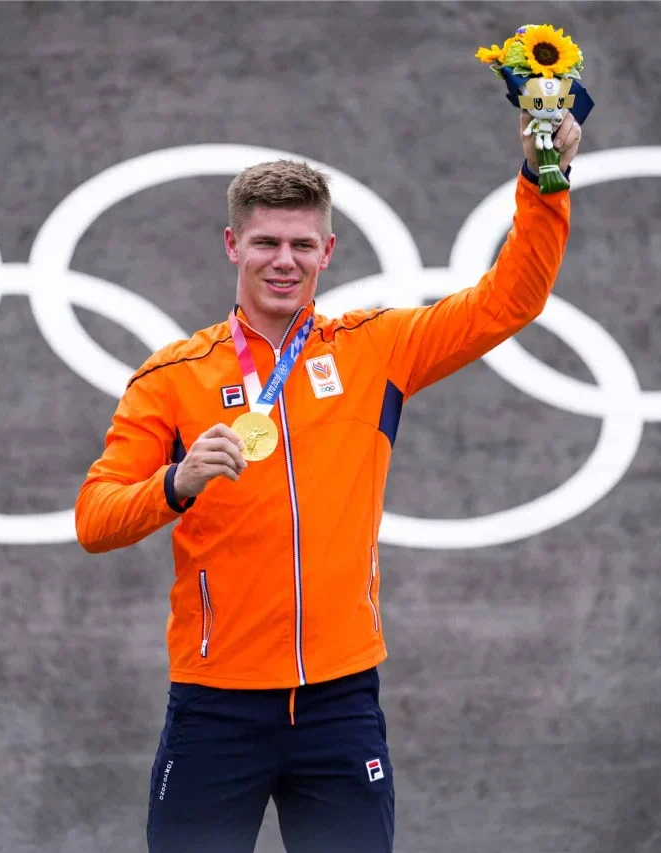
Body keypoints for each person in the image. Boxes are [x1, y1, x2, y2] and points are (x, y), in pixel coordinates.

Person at [75, 111, 582, 853]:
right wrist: (175, 482)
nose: (284, 260)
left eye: (301, 244)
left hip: (338, 701)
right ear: (232, 246)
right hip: (216, 706)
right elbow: (94, 517)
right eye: (266, 243)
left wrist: (546, 183)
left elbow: (512, 300)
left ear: (328, 252)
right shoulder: (171, 380)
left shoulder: (376, 348)